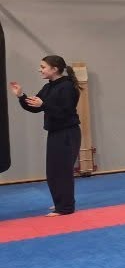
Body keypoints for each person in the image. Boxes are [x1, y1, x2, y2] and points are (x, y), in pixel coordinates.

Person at [9, 55, 82, 216]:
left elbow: (65, 112)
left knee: (62, 171)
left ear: (54, 69)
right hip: (55, 132)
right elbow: (35, 107)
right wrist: (21, 96)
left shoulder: (68, 87)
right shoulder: (48, 87)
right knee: (53, 171)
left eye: (43, 67)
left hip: (68, 133)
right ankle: (60, 202)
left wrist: (44, 104)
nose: (39, 70)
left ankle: (66, 207)